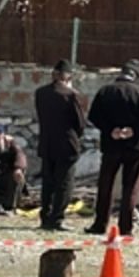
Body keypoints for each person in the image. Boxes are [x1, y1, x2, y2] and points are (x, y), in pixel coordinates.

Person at [86, 58, 139, 236]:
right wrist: (133, 130)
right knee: (130, 186)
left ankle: (100, 224)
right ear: (136, 76)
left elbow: (93, 116)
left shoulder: (105, 91)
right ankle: (126, 227)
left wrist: (111, 130)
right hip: (135, 146)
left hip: (111, 145)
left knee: (106, 184)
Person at [34, 59, 86, 232]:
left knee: (48, 183)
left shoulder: (40, 93)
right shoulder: (71, 95)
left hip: (47, 143)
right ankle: (57, 218)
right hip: (66, 144)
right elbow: (79, 123)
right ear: (68, 76)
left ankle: (45, 217)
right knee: (64, 184)